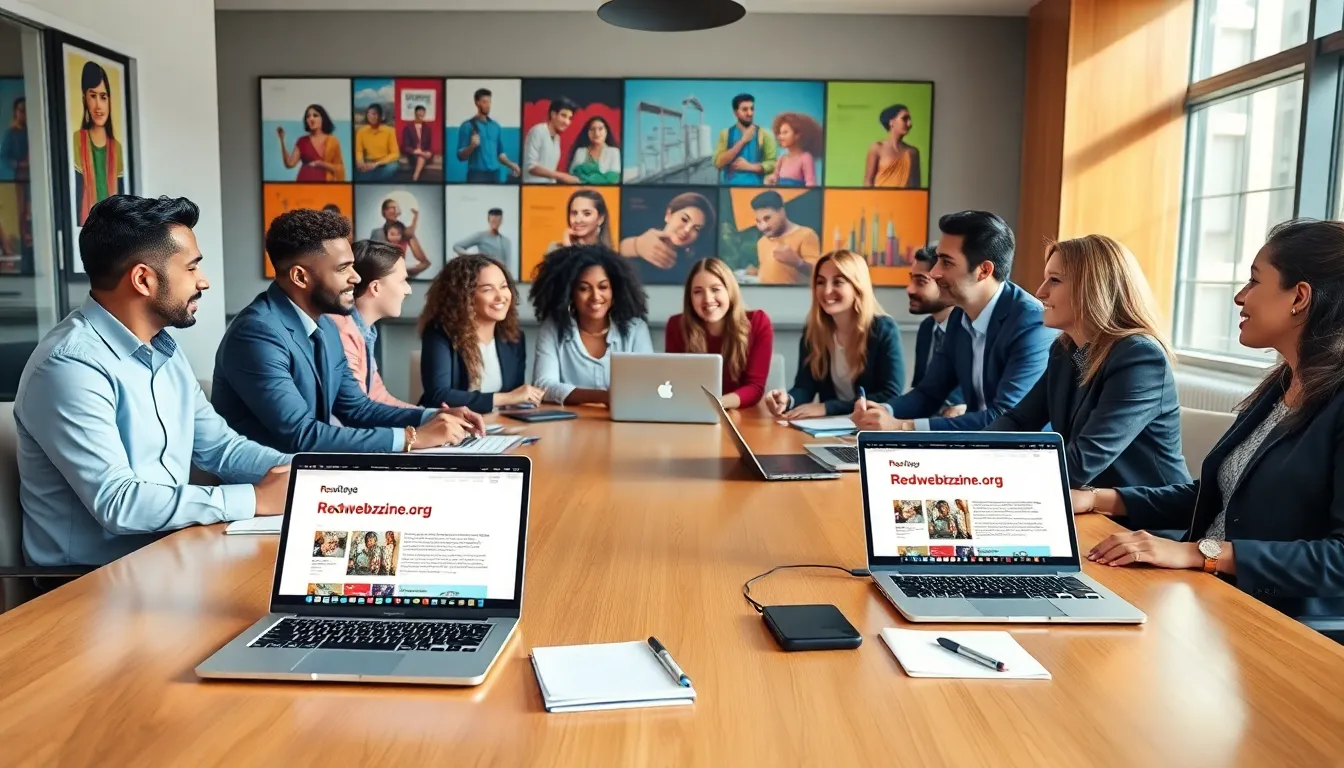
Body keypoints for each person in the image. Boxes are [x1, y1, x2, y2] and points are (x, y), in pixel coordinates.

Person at [1073, 219, 1344, 622]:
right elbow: (1223, 495)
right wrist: (1100, 498)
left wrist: (1202, 553)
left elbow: (1338, 559)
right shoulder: (1283, 382)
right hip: (1210, 595)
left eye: (1254, 282)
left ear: (1299, 297)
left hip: (1277, 621)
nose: (1240, 296)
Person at [13, 195, 291, 571]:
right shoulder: (69, 366)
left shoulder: (163, 349)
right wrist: (256, 500)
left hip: (171, 556)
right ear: (143, 279)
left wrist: (314, 474)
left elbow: (222, 450)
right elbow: (118, 503)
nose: (203, 281)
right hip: (88, 584)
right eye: (192, 268)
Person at [213, 208, 482, 454]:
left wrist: (433, 417)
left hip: (311, 474)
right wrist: (413, 438)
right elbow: (301, 435)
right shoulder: (256, 334)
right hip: (267, 488)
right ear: (300, 277)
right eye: (343, 268)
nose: (355, 277)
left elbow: (357, 408)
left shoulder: (326, 325)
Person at [987, 235, 1190, 490]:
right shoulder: (1065, 350)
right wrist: (969, 458)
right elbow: (1018, 420)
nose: (1040, 292)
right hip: (1086, 505)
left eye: (1055, 280)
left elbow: (1080, 463)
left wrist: (991, 479)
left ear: (1093, 289)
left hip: (1144, 520)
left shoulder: (1139, 358)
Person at [853, 211, 1053, 431]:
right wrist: (882, 412)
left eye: (946, 263)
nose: (935, 272)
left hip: (1020, 457)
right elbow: (929, 393)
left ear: (984, 271)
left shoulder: (1032, 323)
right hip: (976, 450)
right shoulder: (959, 315)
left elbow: (1004, 418)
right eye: (937, 259)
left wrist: (904, 426)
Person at [763, 250, 904, 418]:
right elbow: (804, 388)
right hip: (829, 429)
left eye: (838, 282)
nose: (827, 290)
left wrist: (829, 408)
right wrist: (788, 400)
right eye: (820, 282)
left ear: (857, 287)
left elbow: (890, 395)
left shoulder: (883, 329)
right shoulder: (813, 331)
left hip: (870, 428)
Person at [530, 244, 653, 405]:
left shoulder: (635, 329)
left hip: (623, 423)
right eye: (584, 288)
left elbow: (649, 384)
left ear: (615, 291)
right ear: (570, 293)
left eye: (603, 287)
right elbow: (543, 385)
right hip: (568, 425)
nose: (595, 296)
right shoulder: (553, 328)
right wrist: (603, 397)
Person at [419, 253, 541, 413]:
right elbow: (438, 395)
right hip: (452, 427)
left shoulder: (513, 337)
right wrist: (505, 398)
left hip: (499, 427)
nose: (501, 296)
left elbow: (515, 396)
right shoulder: (440, 333)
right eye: (487, 289)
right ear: (464, 297)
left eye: (504, 287)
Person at [666, 258, 773, 410]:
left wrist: (717, 403)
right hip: (692, 412)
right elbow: (673, 383)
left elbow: (755, 388)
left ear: (729, 291)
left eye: (715, 289)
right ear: (690, 298)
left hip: (741, 416)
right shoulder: (676, 326)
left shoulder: (758, 322)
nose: (708, 299)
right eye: (698, 292)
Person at [328, 239, 417, 408]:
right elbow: (356, 412)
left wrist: (431, 416)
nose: (408, 289)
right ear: (375, 288)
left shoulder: (365, 330)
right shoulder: (341, 334)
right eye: (402, 281)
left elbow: (378, 397)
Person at [908, 245, 964, 410]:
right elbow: (920, 389)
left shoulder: (970, 328)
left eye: (920, 282)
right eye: (911, 280)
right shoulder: (927, 328)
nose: (909, 289)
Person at [619, 191, 716, 286]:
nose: (687, 230)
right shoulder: (634, 228)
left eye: (696, 229)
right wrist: (635, 245)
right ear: (668, 215)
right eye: (684, 220)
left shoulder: (694, 268)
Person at [72, 62, 126, 225]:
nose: (98, 106)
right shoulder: (77, 140)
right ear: (85, 99)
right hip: (86, 229)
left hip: (113, 229)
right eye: (92, 96)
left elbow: (123, 198)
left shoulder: (116, 147)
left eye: (103, 97)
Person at [751, 191, 821, 285]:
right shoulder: (761, 242)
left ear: (781, 212)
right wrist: (757, 272)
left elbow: (818, 273)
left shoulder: (806, 235)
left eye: (767, 219)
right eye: (758, 221)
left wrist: (798, 263)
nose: (763, 226)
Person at [456, 87, 522, 183]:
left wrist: (511, 164)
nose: (488, 105)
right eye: (484, 102)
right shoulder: (467, 126)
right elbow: (460, 157)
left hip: (495, 174)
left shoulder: (495, 126)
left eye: (489, 102)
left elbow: (500, 154)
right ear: (477, 103)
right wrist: (472, 146)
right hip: (476, 175)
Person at [713, 93, 777, 186]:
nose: (749, 113)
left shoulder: (765, 134)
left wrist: (749, 167)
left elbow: (773, 163)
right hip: (729, 190)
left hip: (756, 190)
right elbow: (718, 163)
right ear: (736, 113)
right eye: (745, 109)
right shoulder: (725, 134)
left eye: (752, 109)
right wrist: (742, 141)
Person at [276, 103, 344, 182]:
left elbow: (339, 168)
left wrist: (321, 164)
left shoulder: (333, 141)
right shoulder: (302, 141)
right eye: (308, 116)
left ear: (323, 119)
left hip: (325, 186)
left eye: (315, 115)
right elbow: (289, 164)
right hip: (303, 183)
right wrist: (282, 140)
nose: (311, 119)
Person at [523, 97, 579, 184]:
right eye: (563, 116)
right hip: (532, 188)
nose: (567, 122)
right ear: (553, 114)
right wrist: (562, 176)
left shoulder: (557, 138)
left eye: (570, 118)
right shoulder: (538, 130)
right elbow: (531, 167)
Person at [864, 104, 922, 188]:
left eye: (909, 119)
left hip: (904, 200)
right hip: (880, 199)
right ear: (891, 122)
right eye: (904, 119)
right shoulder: (877, 148)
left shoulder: (913, 152)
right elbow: (868, 181)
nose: (909, 124)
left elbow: (916, 186)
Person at [545, 189, 612, 254]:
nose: (578, 220)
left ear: (600, 219)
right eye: (574, 213)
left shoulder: (607, 257)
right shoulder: (554, 250)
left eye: (587, 214)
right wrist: (568, 249)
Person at [765, 112, 821, 187]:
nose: (780, 137)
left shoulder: (805, 157)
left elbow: (810, 184)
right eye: (780, 133)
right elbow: (775, 177)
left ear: (797, 135)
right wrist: (770, 179)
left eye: (785, 132)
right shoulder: (782, 158)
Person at [567, 116, 621, 184]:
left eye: (600, 129)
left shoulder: (614, 152)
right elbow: (572, 178)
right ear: (587, 133)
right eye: (592, 129)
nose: (596, 133)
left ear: (606, 132)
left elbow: (612, 180)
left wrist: (583, 178)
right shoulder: (580, 152)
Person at [354, 103, 400, 181]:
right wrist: (360, 161)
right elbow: (359, 151)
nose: (371, 117)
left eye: (374, 114)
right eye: (369, 114)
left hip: (385, 163)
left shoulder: (390, 131)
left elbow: (395, 154)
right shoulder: (361, 131)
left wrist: (376, 164)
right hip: (368, 161)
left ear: (381, 116)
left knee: (393, 167)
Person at [401, 104, 434, 182]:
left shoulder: (427, 128)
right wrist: (415, 151)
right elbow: (405, 146)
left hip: (424, 153)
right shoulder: (408, 128)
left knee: (422, 156)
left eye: (423, 114)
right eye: (419, 114)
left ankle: (415, 177)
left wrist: (429, 152)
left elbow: (428, 146)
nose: (421, 116)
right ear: (415, 114)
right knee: (421, 157)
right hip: (413, 153)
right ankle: (415, 176)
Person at [1, 96, 27, 181]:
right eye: (21, 111)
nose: (24, 114)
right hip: (20, 174)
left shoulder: (33, 130)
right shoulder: (10, 133)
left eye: (26, 110)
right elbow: (4, 157)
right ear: (15, 112)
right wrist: (19, 164)